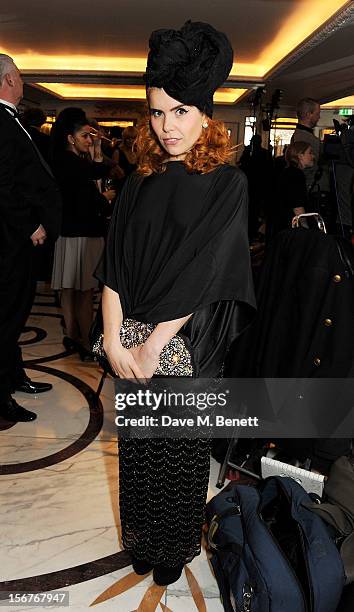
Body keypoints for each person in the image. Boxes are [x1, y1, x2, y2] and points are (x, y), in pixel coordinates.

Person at [96, 21, 256, 586]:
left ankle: (173, 545)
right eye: (158, 112)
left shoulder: (227, 183)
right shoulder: (139, 180)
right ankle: (141, 536)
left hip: (188, 340)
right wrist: (115, 338)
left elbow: (207, 270)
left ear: (207, 115)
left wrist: (150, 347)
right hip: (133, 336)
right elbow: (114, 261)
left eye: (181, 112)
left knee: (180, 453)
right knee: (138, 448)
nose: (168, 127)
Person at [0, 54, 62, 423]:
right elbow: (2, 186)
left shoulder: (10, 120)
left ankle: (13, 374)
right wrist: (29, 225)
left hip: (14, 240)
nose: (24, 83)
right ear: (8, 79)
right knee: (7, 316)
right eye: (20, 77)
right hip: (9, 240)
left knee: (17, 312)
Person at [51, 108, 115, 359]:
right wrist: (105, 199)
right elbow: (87, 199)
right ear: (70, 138)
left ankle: (71, 335)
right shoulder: (74, 163)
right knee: (85, 290)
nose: (89, 140)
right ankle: (86, 342)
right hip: (84, 232)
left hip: (67, 232)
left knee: (69, 288)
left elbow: (97, 173)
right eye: (85, 135)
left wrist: (96, 149)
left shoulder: (64, 160)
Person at [267, 141, 315, 240]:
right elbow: (297, 204)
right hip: (289, 227)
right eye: (310, 152)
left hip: (281, 227)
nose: (313, 156)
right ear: (300, 156)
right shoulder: (296, 175)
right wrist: (305, 227)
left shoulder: (288, 172)